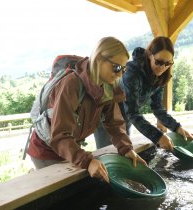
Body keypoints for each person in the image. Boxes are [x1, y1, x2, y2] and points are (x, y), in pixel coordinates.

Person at [27, 37, 146, 183]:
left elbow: (114, 124)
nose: (120, 74)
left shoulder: (108, 87)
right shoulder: (71, 84)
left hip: (69, 147)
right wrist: (87, 161)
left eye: (123, 69)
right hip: (46, 149)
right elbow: (60, 135)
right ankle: (34, 175)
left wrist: (127, 149)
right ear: (99, 59)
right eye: (116, 67)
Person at [94, 36, 193, 151]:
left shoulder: (160, 77)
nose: (163, 67)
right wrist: (158, 137)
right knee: (109, 155)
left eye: (168, 63)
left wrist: (177, 127)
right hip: (106, 118)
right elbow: (132, 112)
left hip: (127, 119)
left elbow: (158, 109)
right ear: (149, 55)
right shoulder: (132, 73)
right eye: (159, 62)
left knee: (126, 154)